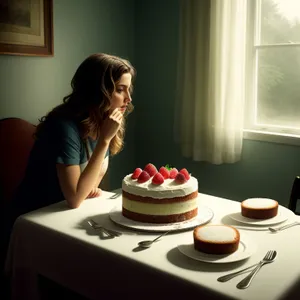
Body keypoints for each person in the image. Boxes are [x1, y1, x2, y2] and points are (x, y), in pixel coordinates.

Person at [1, 53, 136, 272]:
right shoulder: (64, 126)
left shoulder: (103, 120)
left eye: (128, 89)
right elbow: (75, 197)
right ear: (97, 90)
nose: (128, 99)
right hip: (34, 221)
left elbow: (91, 185)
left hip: (66, 215)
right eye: (120, 89)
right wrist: (104, 141)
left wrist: (85, 188)